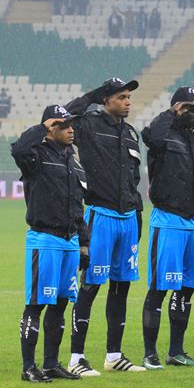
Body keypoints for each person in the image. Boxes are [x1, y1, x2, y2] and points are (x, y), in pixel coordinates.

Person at [64, 78, 145, 375]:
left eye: (129, 97)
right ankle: (76, 358)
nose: (128, 102)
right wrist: (91, 96)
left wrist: (137, 213)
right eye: (121, 97)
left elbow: (133, 178)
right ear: (106, 99)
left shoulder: (131, 132)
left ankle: (114, 355)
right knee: (90, 287)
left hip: (129, 218)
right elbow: (64, 116)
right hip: (101, 216)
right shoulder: (88, 124)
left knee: (121, 288)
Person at [12, 106, 88, 382]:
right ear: (51, 128)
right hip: (44, 240)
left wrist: (84, 244)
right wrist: (42, 127)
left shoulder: (73, 162)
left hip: (70, 242)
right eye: (64, 125)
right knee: (36, 304)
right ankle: (28, 367)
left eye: (71, 125)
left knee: (60, 304)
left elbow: (78, 206)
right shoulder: (36, 156)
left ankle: (51, 364)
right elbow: (19, 149)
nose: (70, 130)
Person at [139, 87, 194, 370]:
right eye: (191, 108)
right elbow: (151, 136)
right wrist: (170, 112)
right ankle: (150, 354)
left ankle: (176, 351)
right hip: (168, 221)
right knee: (160, 288)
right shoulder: (163, 135)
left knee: (186, 289)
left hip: (193, 225)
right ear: (178, 108)